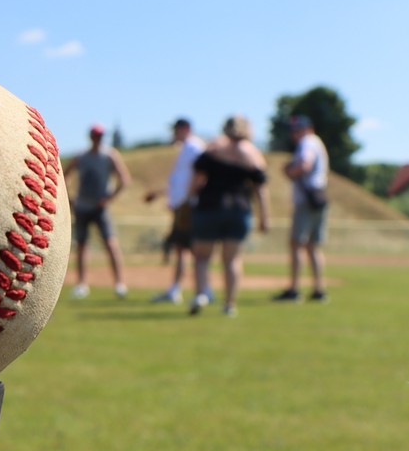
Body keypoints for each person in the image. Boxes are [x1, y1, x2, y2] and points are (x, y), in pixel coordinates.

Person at [187, 115, 269, 316]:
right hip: (239, 209)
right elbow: (260, 187)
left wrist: (189, 198)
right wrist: (264, 216)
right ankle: (229, 304)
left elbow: (197, 178)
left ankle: (201, 294)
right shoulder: (252, 154)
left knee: (202, 257)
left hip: (209, 206)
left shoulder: (214, 148)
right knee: (231, 260)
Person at [63, 125, 131, 299]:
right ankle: (81, 285)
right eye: (95, 136)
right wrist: (68, 199)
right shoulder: (81, 156)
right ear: (90, 137)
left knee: (111, 244)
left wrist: (108, 199)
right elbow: (64, 176)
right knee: (82, 246)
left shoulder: (110, 155)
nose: (97, 139)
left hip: (101, 209)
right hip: (82, 207)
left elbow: (124, 180)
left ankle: (119, 284)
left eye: (100, 136)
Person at [144, 117, 205, 303]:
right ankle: (179, 289)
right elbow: (180, 181)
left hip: (188, 206)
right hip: (182, 205)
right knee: (182, 248)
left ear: (185, 128)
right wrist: (163, 195)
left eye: (176, 130)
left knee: (192, 249)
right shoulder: (186, 149)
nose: (173, 134)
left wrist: (189, 201)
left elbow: (200, 176)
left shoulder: (194, 148)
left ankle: (202, 290)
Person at [275, 114, 330, 303]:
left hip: (307, 199)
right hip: (318, 197)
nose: (294, 134)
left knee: (297, 244)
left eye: (297, 130)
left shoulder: (307, 143)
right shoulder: (316, 142)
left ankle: (294, 289)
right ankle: (318, 289)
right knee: (313, 246)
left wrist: (290, 171)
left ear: (307, 128)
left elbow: (304, 165)